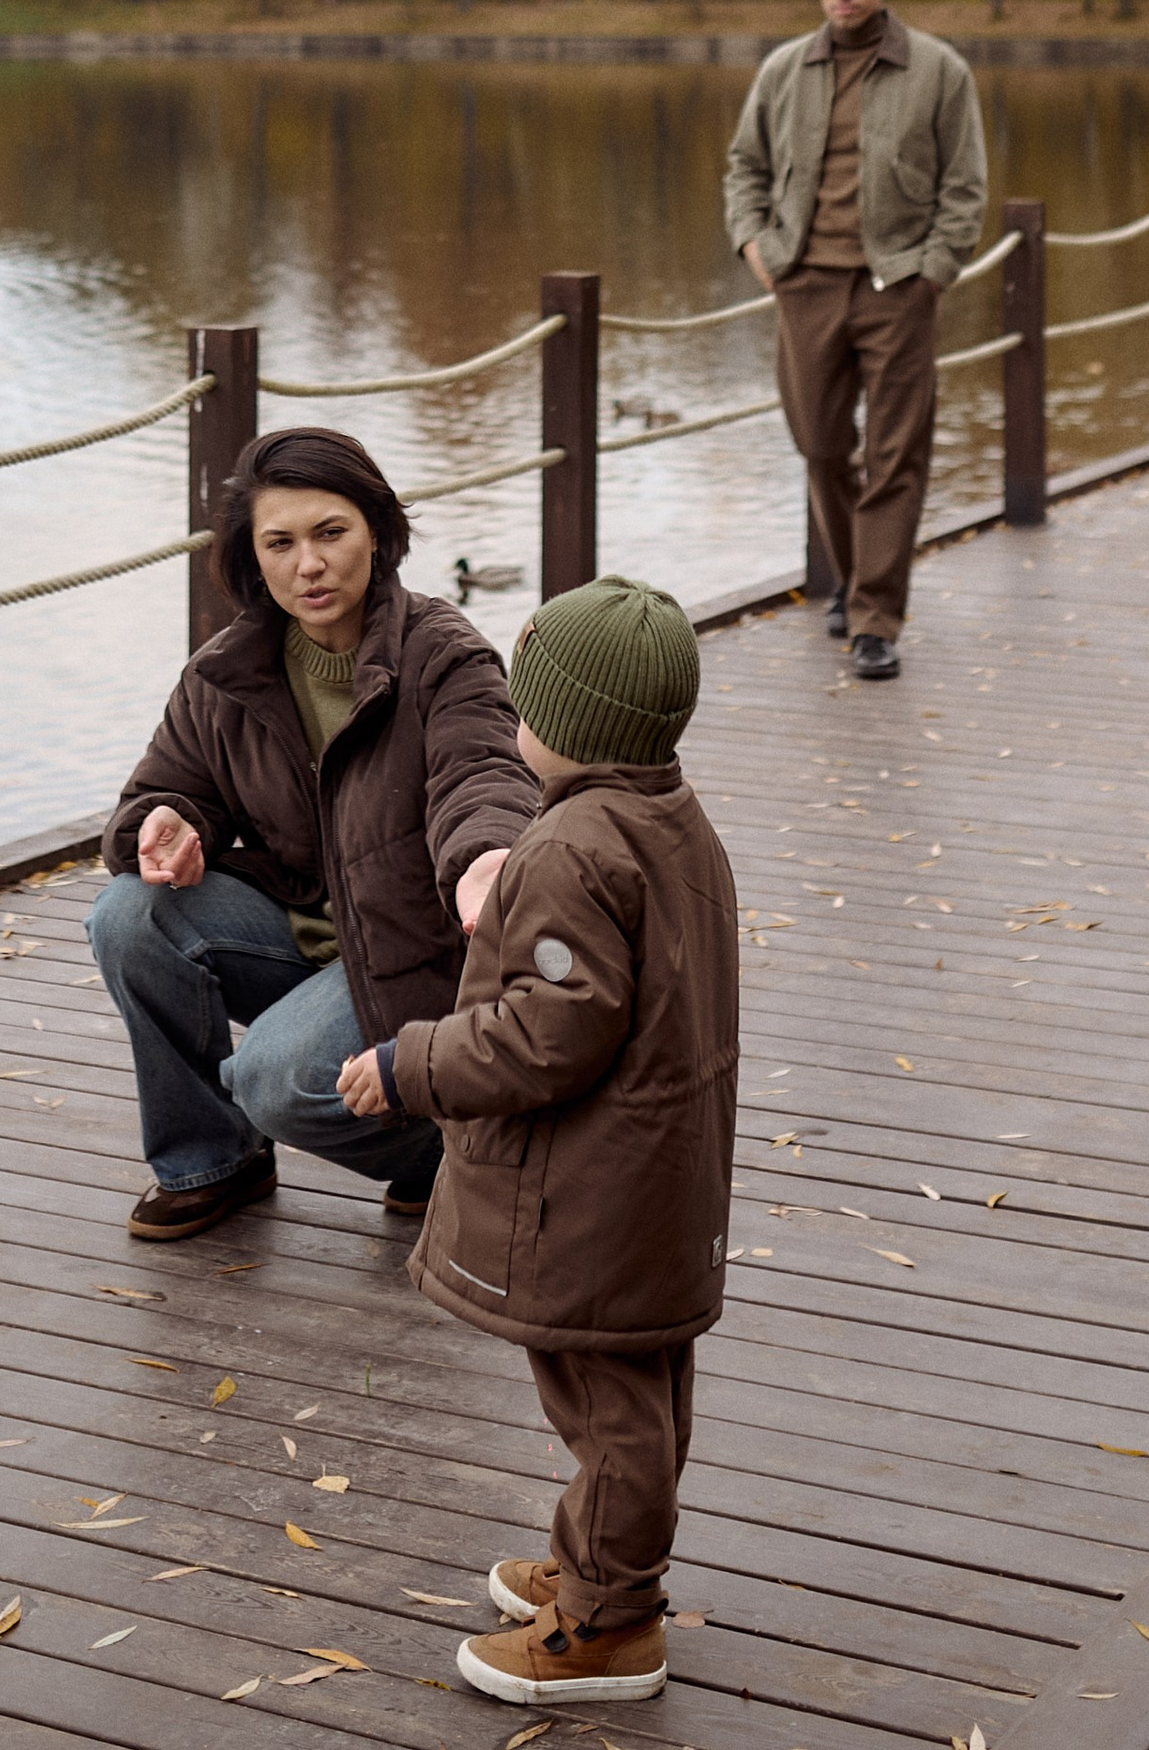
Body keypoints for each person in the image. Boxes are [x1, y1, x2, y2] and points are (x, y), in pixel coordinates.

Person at [337, 573, 738, 1709]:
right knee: (642, 1389)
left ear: (563, 724)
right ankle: (601, 1558)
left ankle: (612, 1623)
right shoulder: (669, 814)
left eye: (526, 701)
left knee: (605, 1405)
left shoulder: (569, 848)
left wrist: (412, 1061)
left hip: (593, 1190)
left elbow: (547, 1032)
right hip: (659, 1177)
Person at [89, 424, 539, 1242]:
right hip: (305, 938)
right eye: (281, 542)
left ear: (377, 530)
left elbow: (485, 774)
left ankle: (443, 1147)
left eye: (331, 532)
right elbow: (160, 791)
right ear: (251, 557)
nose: (310, 564)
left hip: (417, 952)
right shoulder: (225, 672)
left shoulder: (444, 655)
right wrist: (162, 825)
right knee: (127, 915)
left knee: (276, 1078)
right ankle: (212, 1161)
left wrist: (486, 857)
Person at [721, 0, 986, 681]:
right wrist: (757, 250)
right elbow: (745, 168)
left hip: (898, 286)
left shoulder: (938, 71)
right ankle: (851, 575)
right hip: (804, 285)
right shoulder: (783, 71)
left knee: (897, 456)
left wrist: (933, 270)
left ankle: (874, 617)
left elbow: (964, 188)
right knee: (820, 444)